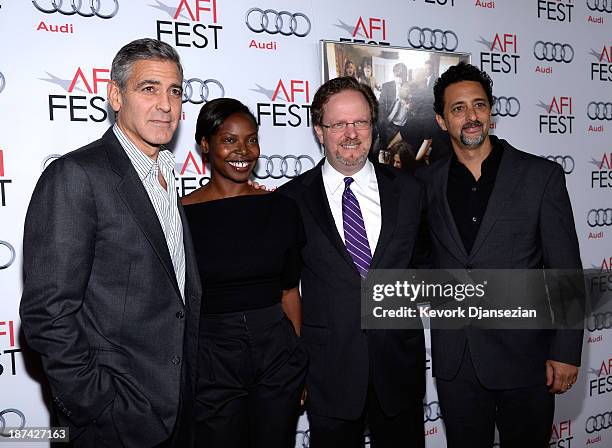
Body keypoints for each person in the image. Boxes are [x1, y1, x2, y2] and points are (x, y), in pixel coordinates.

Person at [20, 38, 201, 447]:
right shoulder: (76, 175)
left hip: (176, 410)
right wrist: (98, 404)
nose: (166, 105)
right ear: (116, 96)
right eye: (149, 88)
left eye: (174, 91)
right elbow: (47, 314)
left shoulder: (164, 174)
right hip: (113, 421)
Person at [419, 61, 583, 448]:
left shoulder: (540, 176)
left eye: (479, 105)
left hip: (527, 357)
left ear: (491, 111)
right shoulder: (425, 183)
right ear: (442, 121)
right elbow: (424, 257)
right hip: (457, 361)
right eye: (458, 108)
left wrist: (566, 352)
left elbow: (565, 269)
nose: (471, 116)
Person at [278, 76, 426, 448]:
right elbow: (283, 291)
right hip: (329, 372)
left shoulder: (410, 191)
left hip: (399, 369)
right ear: (319, 131)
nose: (350, 133)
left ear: (372, 128)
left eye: (359, 122)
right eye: (338, 124)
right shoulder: (290, 201)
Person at [181, 98, 307, 448]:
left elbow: (289, 292)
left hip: (277, 354)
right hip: (212, 357)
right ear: (205, 144)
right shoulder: (180, 217)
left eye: (251, 139)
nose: (244, 150)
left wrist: (297, 360)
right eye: (230, 140)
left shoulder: (281, 208)